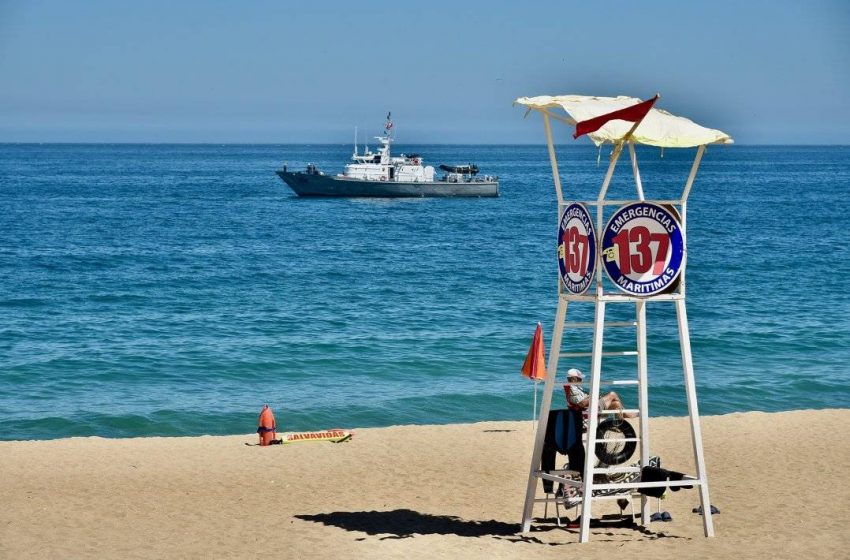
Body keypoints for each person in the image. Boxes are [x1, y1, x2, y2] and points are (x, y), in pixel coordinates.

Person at [564, 368, 636, 418]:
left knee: (616, 404)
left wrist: (594, 396)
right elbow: (582, 403)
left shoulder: (574, 387)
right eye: (579, 378)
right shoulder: (572, 388)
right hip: (588, 411)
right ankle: (627, 415)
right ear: (573, 378)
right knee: (612, 394)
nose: (581, 379)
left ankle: (620, 422)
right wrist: (594, 396)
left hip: (589, 408)